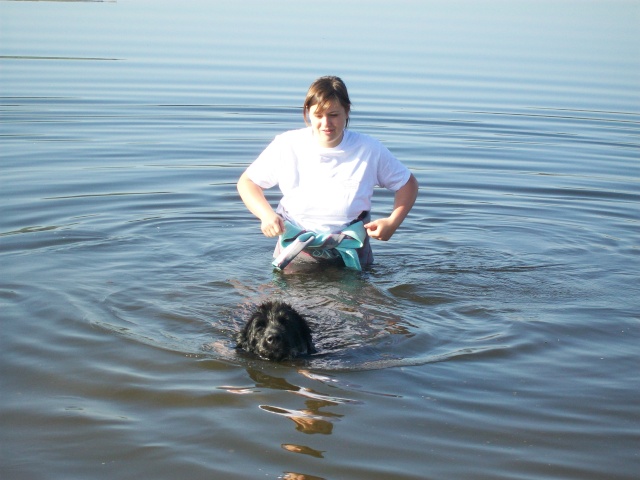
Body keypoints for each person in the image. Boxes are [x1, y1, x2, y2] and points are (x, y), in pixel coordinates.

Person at [237, 75, 418, 269]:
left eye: (334, 115)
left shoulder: (369, 149)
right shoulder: (287, 145)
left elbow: (408, 184)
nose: (326, 123)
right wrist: (266, 215)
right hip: (297, 248)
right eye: (318, 115)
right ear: (307, 113)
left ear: (347, 112)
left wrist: (392, 222)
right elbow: (247, 182)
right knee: (284, 299)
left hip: (351, 249)